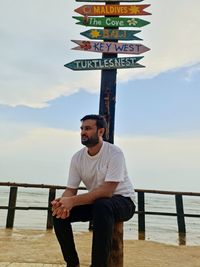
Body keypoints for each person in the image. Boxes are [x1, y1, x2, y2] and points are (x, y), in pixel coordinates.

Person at [52, 114, 136, 267]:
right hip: (99, 204)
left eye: (88, 128)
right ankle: (72, 263)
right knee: (58, 215)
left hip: (124, 202)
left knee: (102, 205)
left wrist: (72, 201)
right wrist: (63, 204)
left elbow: (107, 191)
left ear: (101, 132)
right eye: (82, 129)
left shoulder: (114, 153)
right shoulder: (77, 158)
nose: (83, 132)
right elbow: (71, 189)